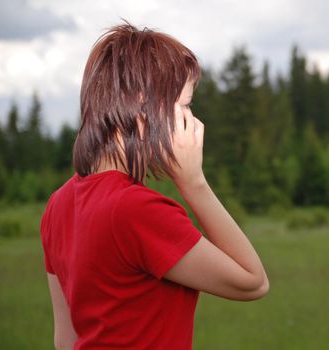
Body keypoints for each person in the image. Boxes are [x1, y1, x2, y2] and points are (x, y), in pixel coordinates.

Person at [40, 23, 269, 350]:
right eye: (185, 105)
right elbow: (253, 282)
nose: (193, 121)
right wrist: (194, 183)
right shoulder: (136, 210)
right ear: (141, 103)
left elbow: (65, 340)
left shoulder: (57, 205)